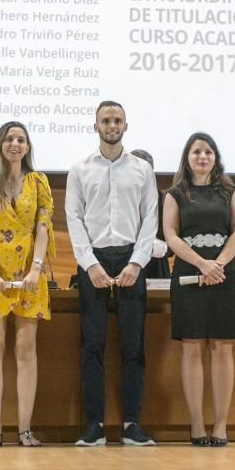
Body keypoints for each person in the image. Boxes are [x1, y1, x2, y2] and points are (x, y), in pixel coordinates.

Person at [65, 101, 158, 447]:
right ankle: (95, 426)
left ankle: (132, 424)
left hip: (132, 259)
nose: (112, 125)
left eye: (117, 119)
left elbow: (150, 218)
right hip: (93, 262)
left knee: (133, 345)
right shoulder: (79, 170)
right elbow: (73, 219)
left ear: (125, 125)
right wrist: (90, 265)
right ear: (96, 126)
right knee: (92, 345)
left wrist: (137, 263)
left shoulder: (142, 170)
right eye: (106, 120)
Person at [0, 121, 55, 448]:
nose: (15, 144)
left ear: (28, 147)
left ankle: (24, 430)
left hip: (30, 277)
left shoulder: (39, 182)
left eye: (20, 139)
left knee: (25, 350)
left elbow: (43, 228)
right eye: (9, 139)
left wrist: (35, 270)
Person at [163, 132, 235, 446]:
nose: (202, 157)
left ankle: (221, 426)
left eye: (208, 152)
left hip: (226, 275)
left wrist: (219, 264)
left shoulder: (229, 190)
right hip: (188, 274)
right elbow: (171, 236)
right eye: (197, 151)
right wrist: (202, 264)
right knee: (192, 346)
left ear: (215, 157)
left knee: (223, 347)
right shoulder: (175, 194)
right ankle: (197, 425)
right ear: (187, 157)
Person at [130, 149, 171, 279]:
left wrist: (163, 247)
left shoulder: (163, 199)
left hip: (155, 267)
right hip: (123, 264)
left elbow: (173, 239)